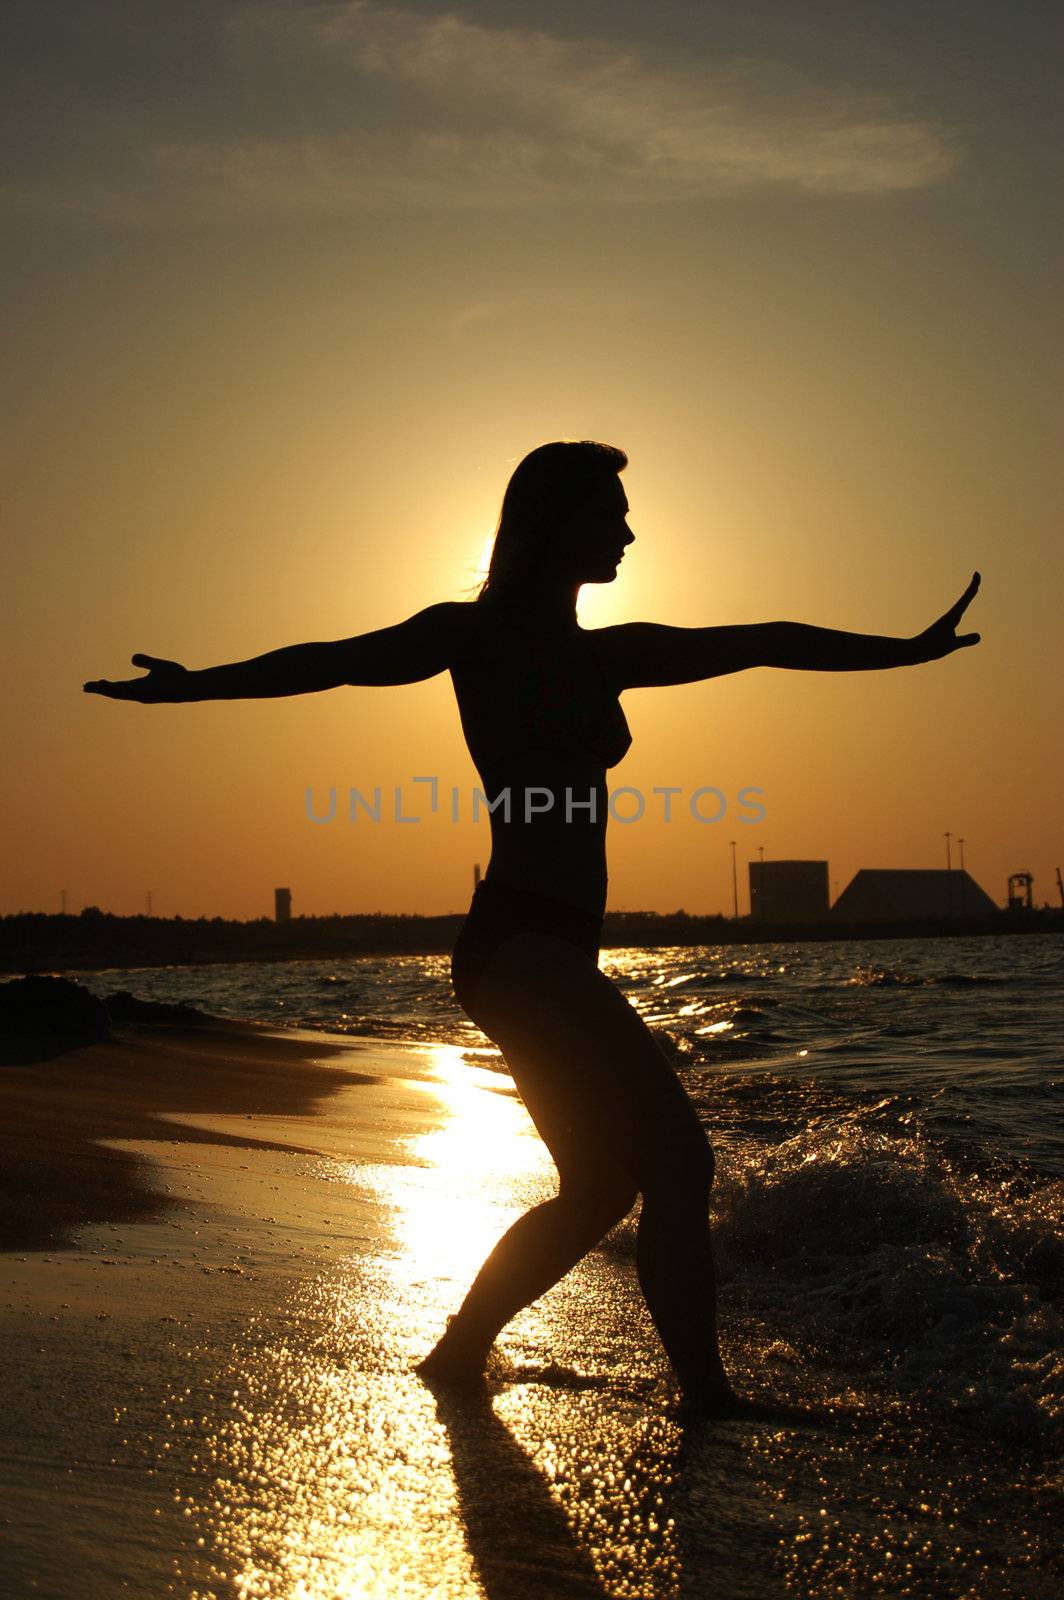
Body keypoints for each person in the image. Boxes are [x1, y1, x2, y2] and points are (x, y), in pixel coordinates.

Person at [84, 440, 981, 1418]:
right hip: (520, 947)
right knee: (678, 1162)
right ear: (551, 522)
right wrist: (192, 683)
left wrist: (902, 649)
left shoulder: (608, 654)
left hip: (544, 951)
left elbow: (758, 636)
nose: (628, 530)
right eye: (609, 512)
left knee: (597, 1186)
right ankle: (707, 1397)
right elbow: (328, 665)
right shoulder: (474, 637)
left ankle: (458, 1354)